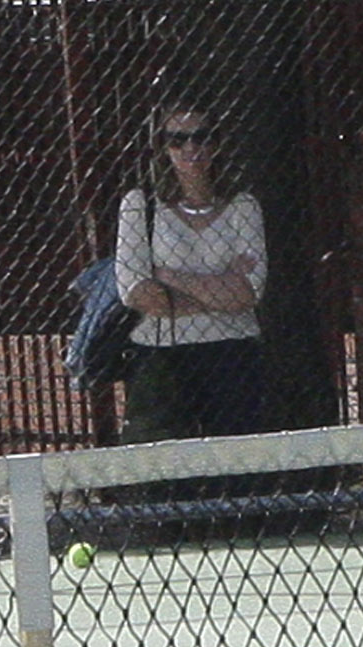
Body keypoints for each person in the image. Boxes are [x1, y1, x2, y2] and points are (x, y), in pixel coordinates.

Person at [114, 108, 266, 440]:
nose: (191, 148)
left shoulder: (242, 205)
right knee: (163, 459)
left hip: (232, 350)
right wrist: (220, 290)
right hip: (160, 351)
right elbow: (135, 291)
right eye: (177, 140)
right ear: (162, 148)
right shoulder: (141, 205)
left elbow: (248, 293)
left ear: (216, 144)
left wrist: (168, 278)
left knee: (237, 455)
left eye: (201, 137)